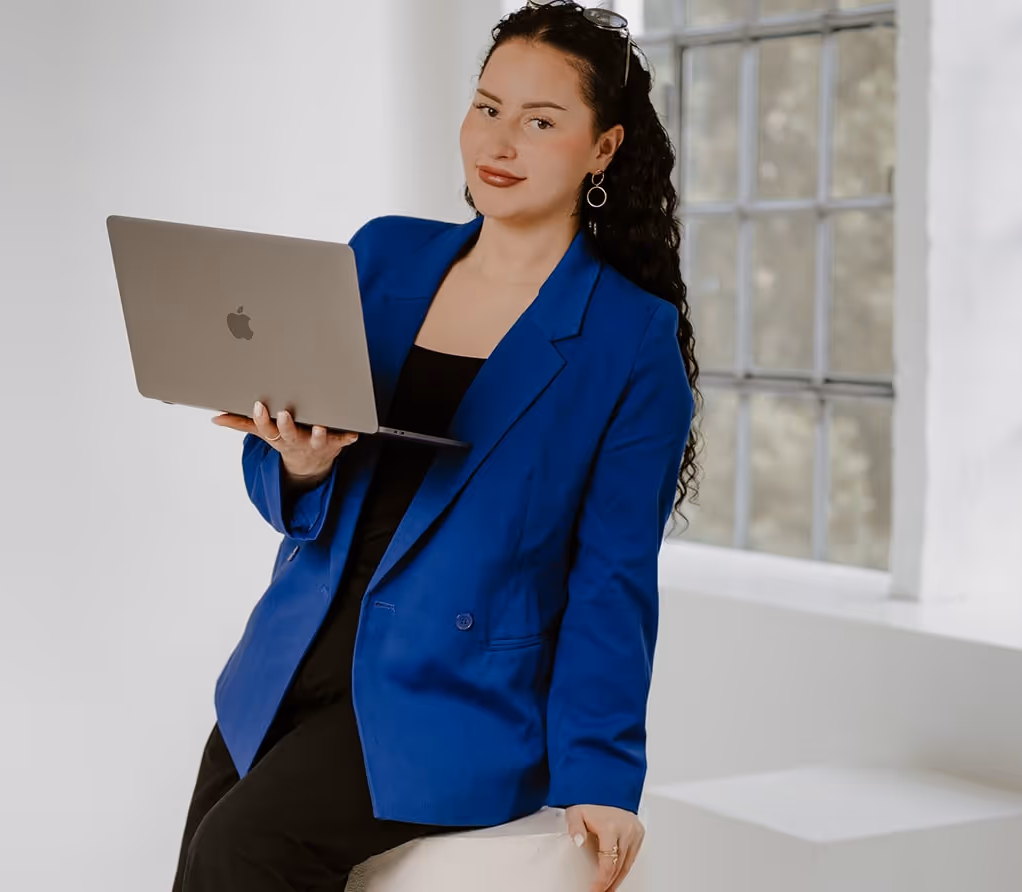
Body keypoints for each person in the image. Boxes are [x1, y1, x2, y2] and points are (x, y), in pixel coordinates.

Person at [172, 2, 700, 891]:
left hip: (450, 697)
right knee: (202, 855)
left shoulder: (628, 339)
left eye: (541, 121)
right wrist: (298, 462)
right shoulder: (382, 257)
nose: (501, 141)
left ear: (603, 148)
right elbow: (285, 474)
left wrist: (605, 777)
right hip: (291, 650)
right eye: (487, 107)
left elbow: (613, 575)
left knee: (242, 851)